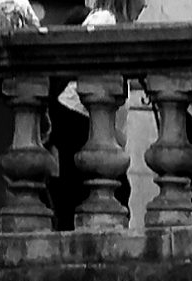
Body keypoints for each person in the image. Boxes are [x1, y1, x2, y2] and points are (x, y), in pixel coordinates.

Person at [48, 0, 132, 229]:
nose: (146, 4)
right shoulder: (104, 19)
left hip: (81, 117)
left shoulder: (111, 22)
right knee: (106, 189)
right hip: (78, 116)